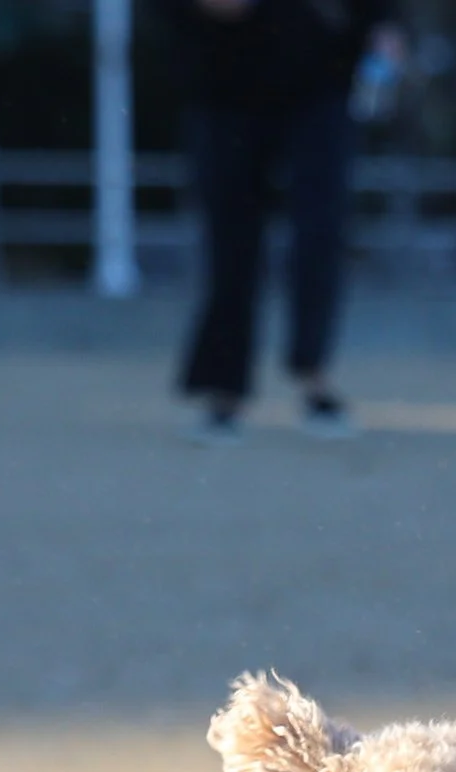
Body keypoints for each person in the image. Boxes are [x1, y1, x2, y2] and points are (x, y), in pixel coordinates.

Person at [162, 0, 402, 443]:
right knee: (230, 243)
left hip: (321, 80)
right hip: (224, 83)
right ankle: (225, 390)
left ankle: (314, 378)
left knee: (319, 235)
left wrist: (383, 27)